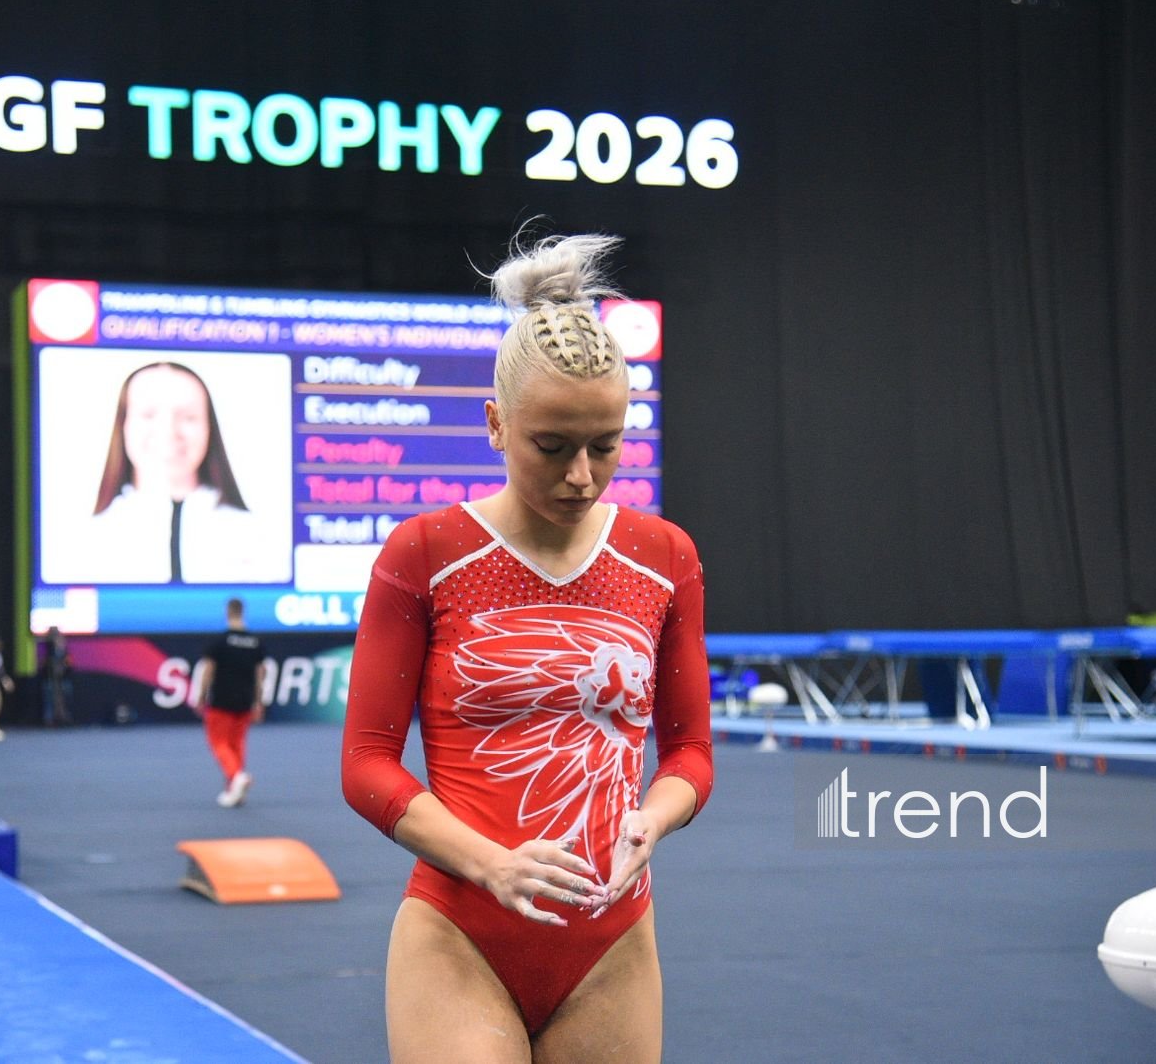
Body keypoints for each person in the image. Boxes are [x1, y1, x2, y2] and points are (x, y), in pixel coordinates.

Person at [340, 232, 713, 1062]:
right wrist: (489, 865)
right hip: (461, 930)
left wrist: (653, 819)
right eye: (552, 446)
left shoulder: (665, 558)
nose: (581, 475)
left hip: (612, 939)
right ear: (495, 424)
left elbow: (690, 753)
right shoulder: (426, 553)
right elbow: (366, 764)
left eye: (605, 445)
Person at [78, 361, 287, 584]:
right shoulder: (87, 543)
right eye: (148, 414)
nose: (168, 431)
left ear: (209, 427)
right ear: (123, 425)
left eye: (188, 417)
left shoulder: (259, 539)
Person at [194, 598, 268, 807]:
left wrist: (201, 696)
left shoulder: (219, 641)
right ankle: (234, 789)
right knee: (237, 744)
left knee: (218, 742)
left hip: (221, 700)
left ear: (228, 612)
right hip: (245, 700)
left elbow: (208, 671)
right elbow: (260, 674)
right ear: (243, 612)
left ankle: (236, 777)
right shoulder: (255, 642)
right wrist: (258, 701)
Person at [39, 626, 73, 727]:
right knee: (49, 696)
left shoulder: (65, 653)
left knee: (65, 693)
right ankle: (49, 719)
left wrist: (63, 668)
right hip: (49, 678)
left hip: (63, 679)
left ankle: (64, 717)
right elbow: (43, 665)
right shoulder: (46, 650)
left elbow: (70, 666)